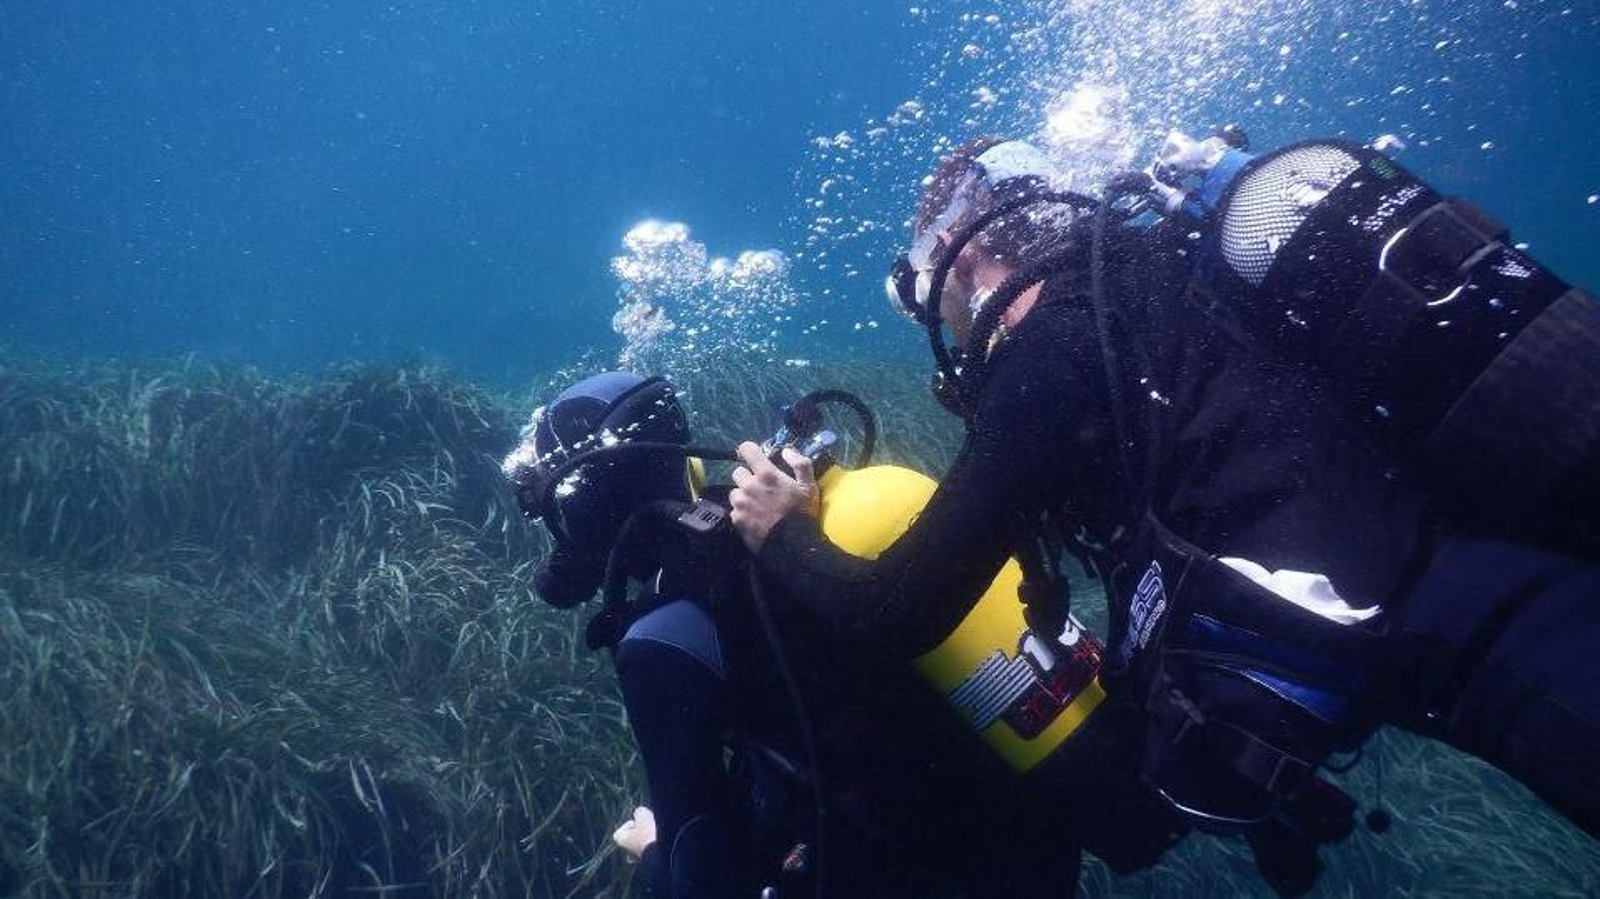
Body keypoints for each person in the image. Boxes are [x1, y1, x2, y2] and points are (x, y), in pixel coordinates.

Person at [728, 134, 1600, 891]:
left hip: (1486, 635)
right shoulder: (1178, 266)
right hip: (1518, 541)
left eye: (924, 292)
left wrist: (786, 531)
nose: (944, 323)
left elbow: (900, 610)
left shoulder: (1059, 348)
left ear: (958, 250)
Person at [503, 370, 1175, 897]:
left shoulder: (662, 637)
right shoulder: (792, 529)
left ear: (584, 511)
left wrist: (654, 849)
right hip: (1026, 856)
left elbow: (699, 883)